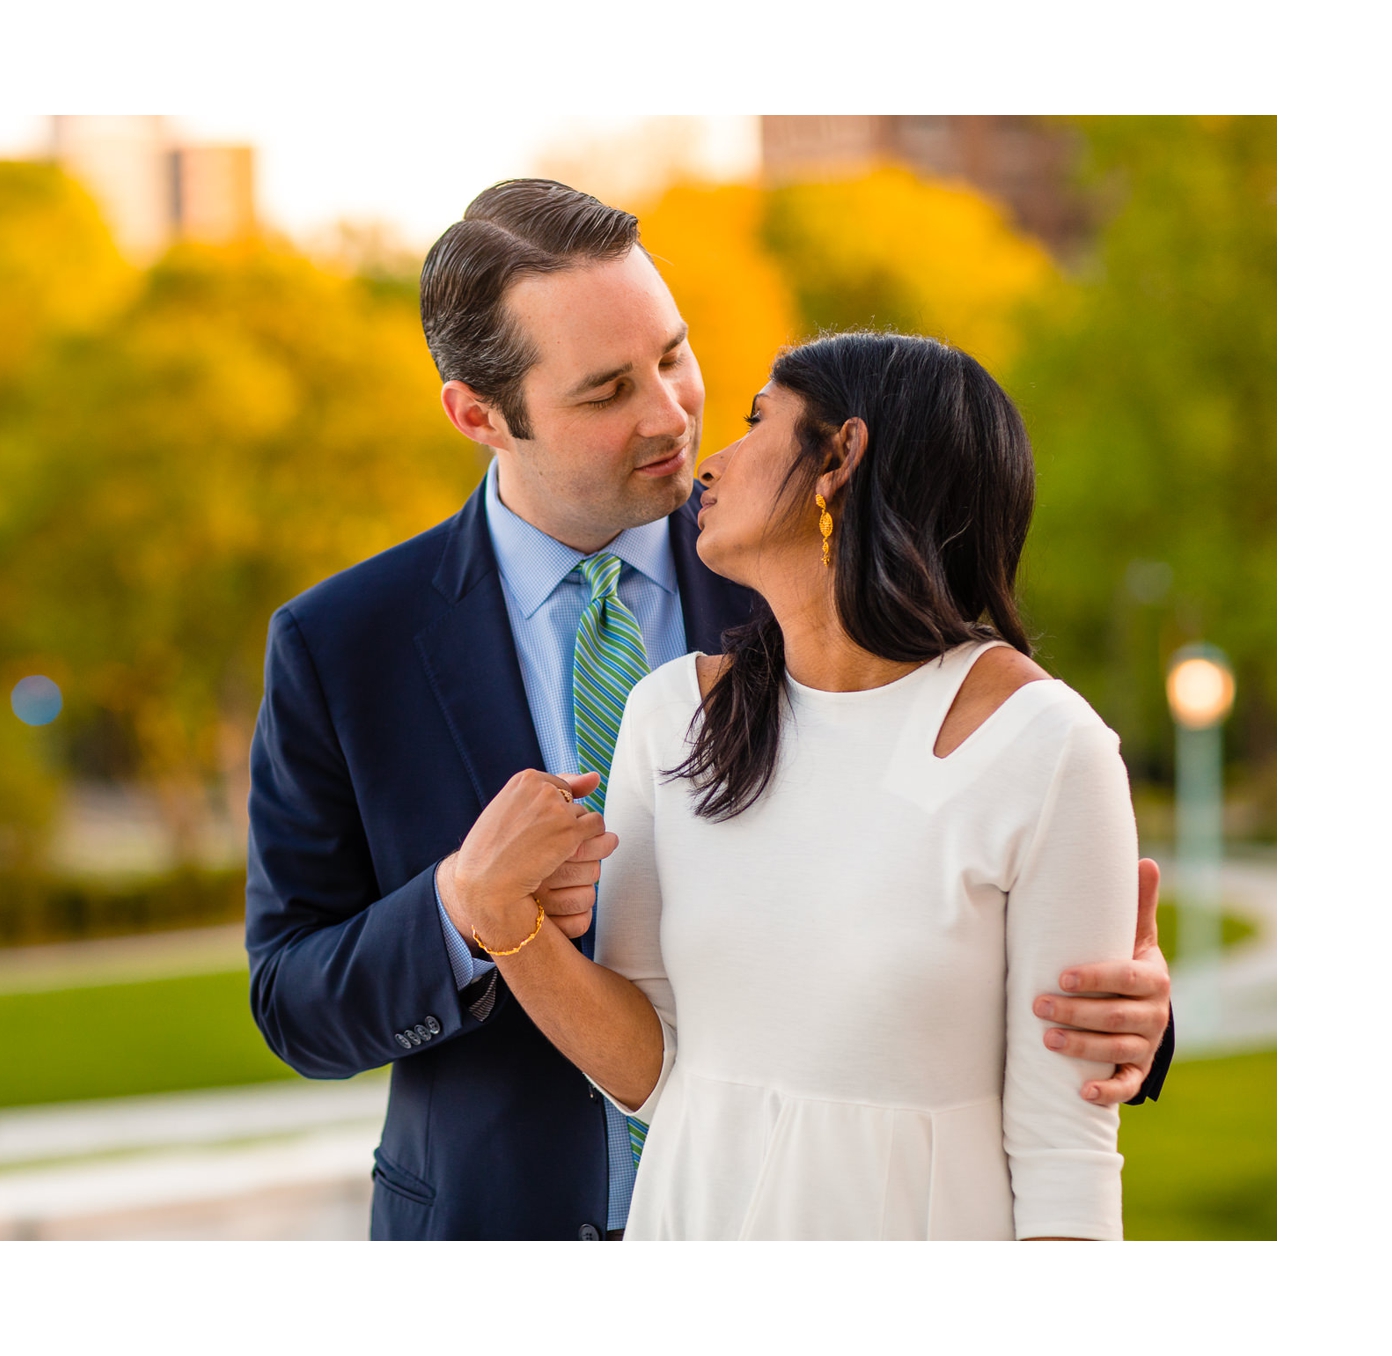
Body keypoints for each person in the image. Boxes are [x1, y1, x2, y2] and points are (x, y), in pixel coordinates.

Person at [244, 180, 1174, 1241]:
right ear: (478, 414)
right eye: (605, 393)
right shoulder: (342, 645)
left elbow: (974, 887)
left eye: (673, 356)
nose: (671, 414)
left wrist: (1112, 1009)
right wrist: (462, 908)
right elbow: (293, 1000)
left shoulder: (817, 568)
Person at [471, 330, 1138, 1239]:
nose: (714, 460)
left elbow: (1067, 1157)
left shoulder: (1049, 748)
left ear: (840, 458)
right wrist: (502, 921)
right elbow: (651, 1071)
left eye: (757, 422)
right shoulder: (671, 716)